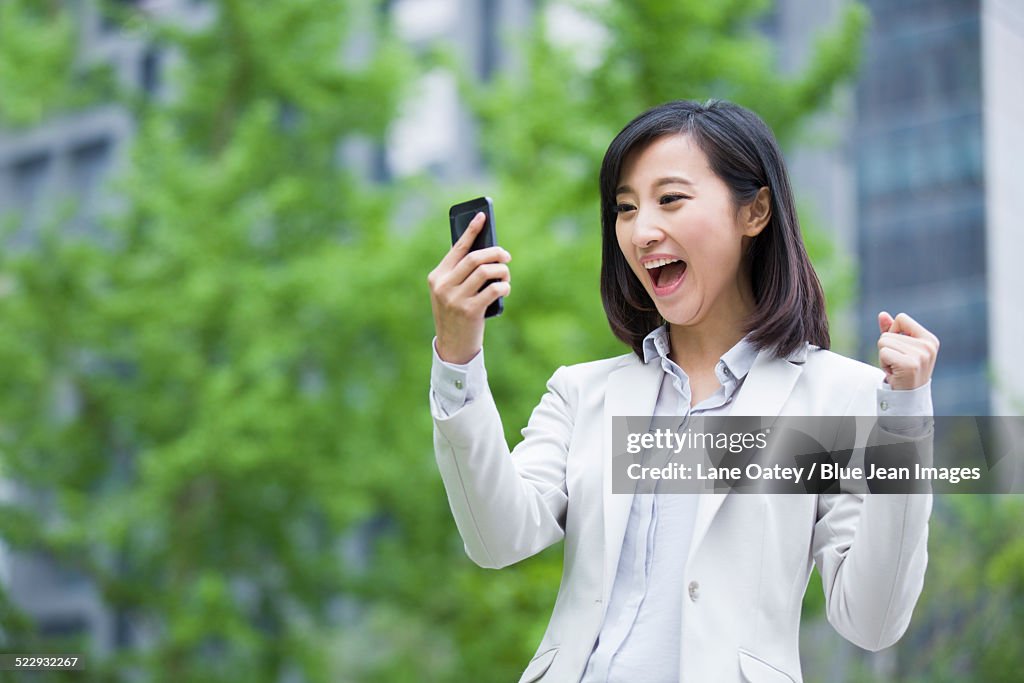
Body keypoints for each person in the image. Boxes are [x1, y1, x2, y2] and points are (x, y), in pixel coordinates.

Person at [426, 99, 938, 683]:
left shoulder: (838, 398)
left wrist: (904, 421)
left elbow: (872, 622)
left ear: (756, 211)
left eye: (670, 199)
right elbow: (497, 538)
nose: (642, 231)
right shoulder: (583, 394)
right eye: (625, 208)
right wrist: (458, 356)